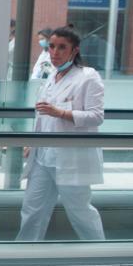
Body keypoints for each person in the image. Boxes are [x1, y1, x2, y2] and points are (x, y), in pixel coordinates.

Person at [17, 26, 105, 241]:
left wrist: (61, 113)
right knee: (32, 209)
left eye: (62, 47)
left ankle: (100, 252)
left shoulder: (88, 77)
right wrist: (32, 143)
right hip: (43, 157)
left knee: (80, 211)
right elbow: (42, 116)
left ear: (75, 50)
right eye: (51, 47)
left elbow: (96, 116)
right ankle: (23, 253)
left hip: (70, 157)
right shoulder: (52, 76)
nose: (55, 52)